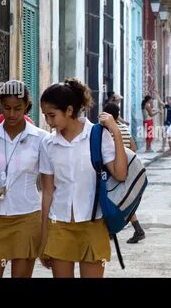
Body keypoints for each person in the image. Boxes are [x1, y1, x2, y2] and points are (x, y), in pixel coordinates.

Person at [39, 78, 127, 278]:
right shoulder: (48, 144)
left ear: (69, 111)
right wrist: (43, 240)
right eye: (45, 116)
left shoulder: (97, 135)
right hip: (59, 225)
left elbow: (121, 173)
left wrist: (115, 131)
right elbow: (47, 193)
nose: (48, 122)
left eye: (52, 115)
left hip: (93, 224)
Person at [0, 80, 49, 278]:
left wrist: (48, 228)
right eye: (7, 108)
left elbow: (50, 185)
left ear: (26, 107)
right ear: (1, 105)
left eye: (18, 108)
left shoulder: (41, 138)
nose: (12, 114)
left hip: (28, 217)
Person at [103, 103, 145, 244]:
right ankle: (137, 229)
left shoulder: (108, 131)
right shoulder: (124, 129)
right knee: (124, 200)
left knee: (114, 200)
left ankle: (110, 229)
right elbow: (133, 147)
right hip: (127, 169)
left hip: (114, 170)